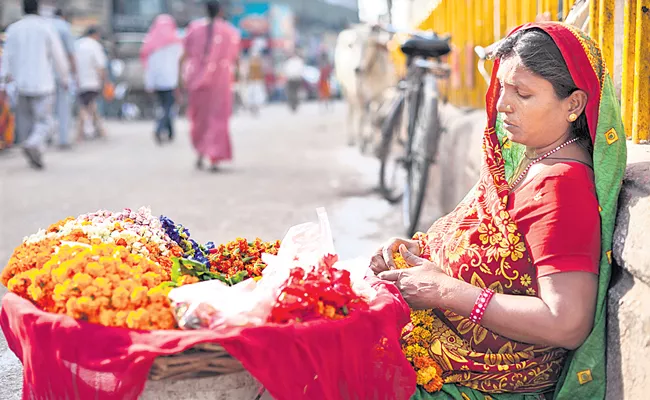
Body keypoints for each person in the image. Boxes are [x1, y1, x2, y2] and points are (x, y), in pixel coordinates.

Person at [371, 22, 626, 399]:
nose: (503, 103)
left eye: (522, 93)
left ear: (573, 104)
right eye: (503, 87)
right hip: (441, 352)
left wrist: (444, 290)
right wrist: (419, 253)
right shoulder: (524, 160)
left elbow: (566, 323)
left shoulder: (561, 187)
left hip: (485, 383)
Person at [0, 0, 70, 169]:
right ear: (38, 9)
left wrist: (3, 79)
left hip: (20, 84)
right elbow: (58, 55)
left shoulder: (13, 29)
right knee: (45, 121)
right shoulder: (45, 27)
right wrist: (65, 77)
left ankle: (32, 149)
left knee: (25, 123)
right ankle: (34, 144)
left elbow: (7, 56)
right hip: (43, 83)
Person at [179, 0, 240, 172]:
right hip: (220, 83)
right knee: (218, 119)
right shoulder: (230, 32)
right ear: (221, 11)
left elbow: (183, 56)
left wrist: (181, 78)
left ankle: (200, 153)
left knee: (200, 119)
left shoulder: (194, 29)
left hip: (197, 82)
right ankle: (214, 158)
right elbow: (235, 59)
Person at [140, 14, 183, 145]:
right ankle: (160, 128)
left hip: (158, 81)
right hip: (171, 80)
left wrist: (149, 83)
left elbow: (149, 66)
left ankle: (170, 132)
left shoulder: (149, 41)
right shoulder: (176, 41)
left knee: (164, 106)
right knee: (168, 107)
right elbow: (180, 62)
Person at [50, 8, 77, 149]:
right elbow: (71, 54)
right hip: (61, 72)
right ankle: (63, 140)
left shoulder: (45, 25)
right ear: (64, 16)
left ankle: (46, 138)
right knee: (63, 107)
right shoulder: (64, 27)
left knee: (46, 108)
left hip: (44, 74)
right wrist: (74, 73)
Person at [75, 26, 107, 141]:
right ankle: (81, 133)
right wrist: (103, 81)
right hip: (92, 81)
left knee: (89, 105)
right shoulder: (95, 45)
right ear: (95, 34)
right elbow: (101, 66)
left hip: (79, 81)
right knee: (87, 106)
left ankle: (98, 130)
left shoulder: (77, 44)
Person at [244, 44, 267, 116]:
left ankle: (256, 108)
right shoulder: (250, 62)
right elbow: (247, 72)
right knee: (251, 95)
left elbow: (262, 72)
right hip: (252, 81)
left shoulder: (259, 63)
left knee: (257, 95)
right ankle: (252, 107)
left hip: (257, 81)